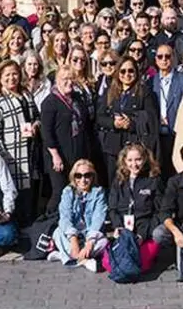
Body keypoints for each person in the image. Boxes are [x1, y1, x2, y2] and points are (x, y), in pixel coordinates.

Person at [0, 60, 41, 225]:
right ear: (0, 78)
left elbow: (36, 116)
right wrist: (2, 155)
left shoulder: (26, 94)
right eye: (7, 75)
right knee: (15, 192)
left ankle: (30, 225)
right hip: (11, 153)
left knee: (30, 190)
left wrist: (36, 125)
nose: (12, 78)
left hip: (30, 149)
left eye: (15, 74)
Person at [97, 57, 159, 185]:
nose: (127, 74)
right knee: (114, 183)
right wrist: (113, 123)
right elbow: (100, 117)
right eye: (123, 71)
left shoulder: (144, 92)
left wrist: (132, 123)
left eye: (130, 71)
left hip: (134, 147)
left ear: (136, 72)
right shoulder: (110, 92)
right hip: (113, 147)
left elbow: (151, 119)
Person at [41, 65, 94, 213]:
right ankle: (49, 221)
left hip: (77, 152)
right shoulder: (50, 102)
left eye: (71, 78)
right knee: (60, 192)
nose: (69, 82)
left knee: (77, 190)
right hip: (59, 155)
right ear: (57, 81)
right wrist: (55, 155)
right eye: (64, 79)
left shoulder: (77, 99)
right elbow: (47, 131)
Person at [106, 143, 166, 271]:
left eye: (138, 159)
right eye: (130, 160)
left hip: (144, 230)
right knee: (110, 264)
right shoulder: (119, 180)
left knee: (141, 265)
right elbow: (112, 208)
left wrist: (142, 235)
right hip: (124, 229)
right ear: (124, 161)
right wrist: (118, 227)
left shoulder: (154, 180)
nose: (134, 164)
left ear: (144, 159)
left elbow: (159, 212)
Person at [49, 158, 108, 271]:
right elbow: (65, 217)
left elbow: (98, 218)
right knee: (57, 232)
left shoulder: (98, 192)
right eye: (78, 176)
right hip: (73, 235)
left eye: (87, 175)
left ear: (92, 176)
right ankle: (84, 260)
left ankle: (66, 256)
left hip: (89, 233)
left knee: (103, 242)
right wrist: (73, 240)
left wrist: (89, 243)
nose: (83, 179)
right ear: (74, 177)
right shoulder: (68, 191)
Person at [149, 43, 183, 175]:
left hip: (176, 133)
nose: (164, 59)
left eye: (167, 56)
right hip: (157, 134)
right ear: (156, 60)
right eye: (160, 56)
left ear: (173, 58)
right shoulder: (150, 82)